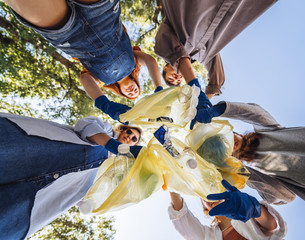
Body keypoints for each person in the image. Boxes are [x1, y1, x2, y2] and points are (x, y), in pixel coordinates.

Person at [191, 101, 305, 237]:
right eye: (227, 151)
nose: (232, 146)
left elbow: (256, 112)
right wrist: (242, 173)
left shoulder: (269, 133)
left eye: (228, 139)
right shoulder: (256, 173)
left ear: (235, 133)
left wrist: (221, 109)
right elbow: (285, 195)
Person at [0, 112, 143, 239]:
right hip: (30, 149)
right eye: (129, 132)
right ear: (122, 129)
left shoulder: (112, 172)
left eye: (134, 139)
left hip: (35, 199)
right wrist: (113, 145)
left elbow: (88, 198)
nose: (129, 137)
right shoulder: (105, 130)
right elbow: (85, 125)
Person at [4, 0, 163, 101]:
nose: (133, 91)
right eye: (137, 90)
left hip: (70, 38)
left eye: (130, 94)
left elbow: (86, 81)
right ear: (137, 81)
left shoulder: (102, 81)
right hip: (104, 17)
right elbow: (150, 61)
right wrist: (158, 88)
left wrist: (102, 102)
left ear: (120, 92)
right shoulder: (135, 62)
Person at [155, 0, 277, 99]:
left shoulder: (161, 46)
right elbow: (217, 80)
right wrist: (201, 106)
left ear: (165, 68)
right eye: (179, 81)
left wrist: (193, 85)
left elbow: (175, 52)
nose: (177, 78)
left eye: (171, 78)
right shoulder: (202, 55)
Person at [169, 180, 287, 240]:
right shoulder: (206, 235)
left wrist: (253, 208)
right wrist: (172, 181)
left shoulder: (243, 211)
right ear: (205, 207)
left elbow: (272, 226)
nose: (209, 197)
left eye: (213, 191)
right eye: (204, 196)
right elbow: (181, 216)